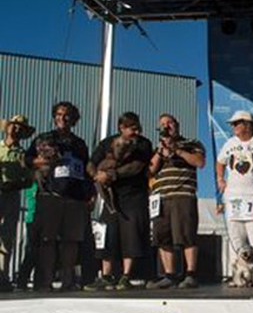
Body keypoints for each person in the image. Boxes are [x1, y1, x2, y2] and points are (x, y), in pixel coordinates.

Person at [25, 102, 91, 291]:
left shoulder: (80, 143)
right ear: (54, 117)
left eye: (68, 115)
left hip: (74, 197)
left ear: (74, 119)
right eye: (59, 114)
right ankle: (45, 281)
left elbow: (86, 169)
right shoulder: (44, 138)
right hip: (49, 194)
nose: (63, 118)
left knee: (71, 241)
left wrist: (90, 193)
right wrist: (43, 160)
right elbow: (27, 160)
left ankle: (68, 280)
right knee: (48, 240)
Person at [85, 112, 153, 291]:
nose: (136, 131)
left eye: (138, 128)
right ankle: (106, 276)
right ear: (121, 128)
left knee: (131, 234)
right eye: (132, 129)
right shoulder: (107, 142)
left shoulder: (144, 144)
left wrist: (112, 174)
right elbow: (91, 163)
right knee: (108, 234)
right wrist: (96, 176)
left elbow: (136, 167)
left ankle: (126, 275)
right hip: (110, 197)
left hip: (134, 196)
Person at [147, 113, 206, 289]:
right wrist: (160, 151)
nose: (166, 127)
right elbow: (150, 171)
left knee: (187, 235)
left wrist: (177, 149)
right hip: (161, 197)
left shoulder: (191, 143)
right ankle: (169, 275)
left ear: (177, 125)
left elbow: (199, 162)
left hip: (183, 195)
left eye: (169, 123)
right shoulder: (157, 148)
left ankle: (191, 274)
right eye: (162, 124)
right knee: (162, 238)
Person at [216, 110, 253, 286]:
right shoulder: (229, 144)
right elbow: (220, 162)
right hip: (233, 197)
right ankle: (238, 276)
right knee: (236, 236)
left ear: (247, 125)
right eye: (232, 124)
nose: (234, 127)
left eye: (237, 123)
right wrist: (220, 179)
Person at [0, 114, 35, 291]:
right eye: (14, 126)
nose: (16, 129)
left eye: (20, 128)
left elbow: (29, 180)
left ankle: (3, 275)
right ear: (7, 128)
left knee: (7, 237)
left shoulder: (23, 155)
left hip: (11, 196)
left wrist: (15, 183)